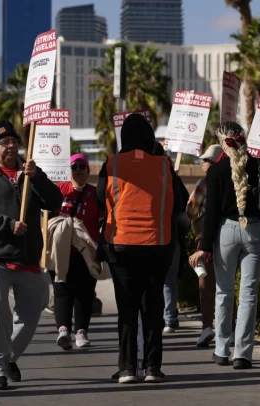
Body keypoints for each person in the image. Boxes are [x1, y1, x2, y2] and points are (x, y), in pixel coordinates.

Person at [0, 120, 63, 391]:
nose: (11, 147)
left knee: (32, 312)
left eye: (13, 142)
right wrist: (7, 226)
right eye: (4, 143)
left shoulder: (29, 173)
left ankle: (9, 358)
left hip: (28, 257)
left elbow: (54, 202)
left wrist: (38, 176)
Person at [96, 114, 186, 384]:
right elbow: (178, 201)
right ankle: (152, 368)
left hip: (121, 245)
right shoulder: (163, 165)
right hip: (157, 245)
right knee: (152, 308)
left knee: (127, 309)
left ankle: (126, 369)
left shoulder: (111, 164)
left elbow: (101, 198)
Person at [190, 122, 260, 370]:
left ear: (223, 142)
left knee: (224, 292)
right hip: (253, 231)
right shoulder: (259, 165)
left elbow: (210, 215)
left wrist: (204, 247)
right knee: (249, 295)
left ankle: (221, 350)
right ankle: (243, 354)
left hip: (226, 232)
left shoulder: (216, 171)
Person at [51, 154, 103, 350]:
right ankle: (63, 330)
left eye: (82, 166)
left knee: (85, 292)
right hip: (62, 250)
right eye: (74, 166)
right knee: (62, 289)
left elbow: (102, 221)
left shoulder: (95, 193)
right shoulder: (59, 190)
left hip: (86, 253)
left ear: (88, 171)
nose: (78, 169)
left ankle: (81, 331)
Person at [151, 142, 189, 334]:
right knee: (169, 279)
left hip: (152, 234)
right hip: (171, 233)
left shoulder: (148, 175)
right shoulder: (171, 176)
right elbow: (184, 203)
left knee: (155, 279)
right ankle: (169, 318)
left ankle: (161, 317)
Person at [186, 144, 221, 348]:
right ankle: (229, 328)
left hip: (204, 238)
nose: (202, 163)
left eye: (206, 160)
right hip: (226, 237)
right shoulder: (231, 181)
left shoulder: (204, 184)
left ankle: (207, 326)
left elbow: (190, 211)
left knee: (205, 284)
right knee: (225, 285)